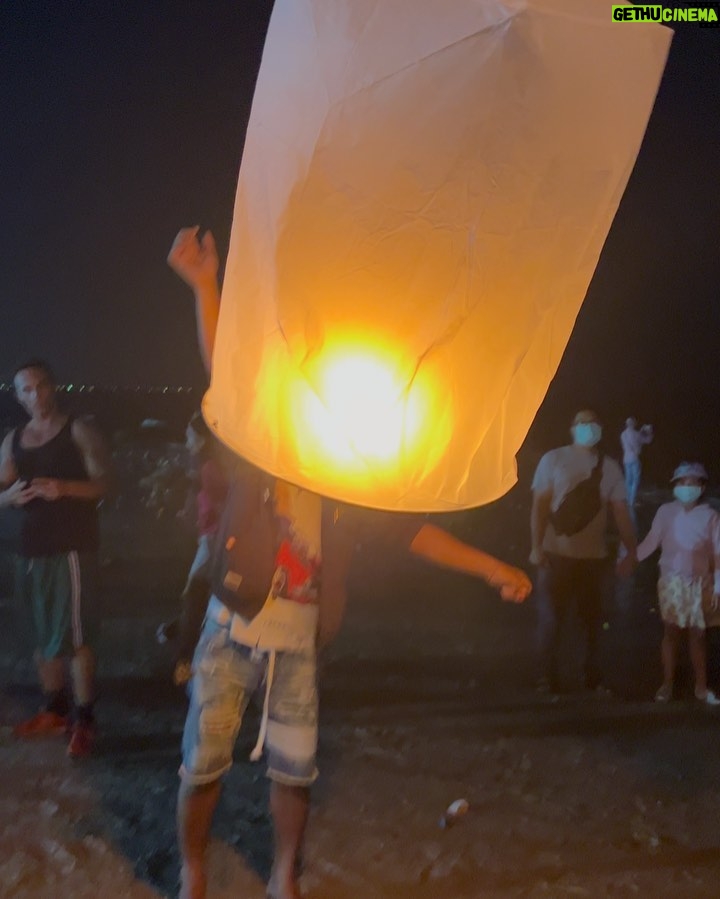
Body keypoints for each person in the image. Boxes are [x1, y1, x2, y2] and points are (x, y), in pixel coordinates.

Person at [168, 226, 532, 899]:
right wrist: (205, 285)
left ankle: (283, 873)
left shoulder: (348, 469)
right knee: (203, 763)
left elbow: (410, 532)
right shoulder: (265, 436)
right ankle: (193, 869)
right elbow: (226, 370)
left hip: (301, 641)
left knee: (294, 772)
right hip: (232, 625)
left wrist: (490, 566)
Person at [0, 360, 111, 757]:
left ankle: (85, 719)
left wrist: (65, 488)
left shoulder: (77, 430)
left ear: (53, 388)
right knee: (40, 633)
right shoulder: (13, 440)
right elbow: (2, 488)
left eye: (41, 386)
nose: (35, 396)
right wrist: (7, 498)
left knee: (77, 636)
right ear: (17, 396)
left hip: (73, 548)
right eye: (26, 390)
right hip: (31, 550)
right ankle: (55, 710)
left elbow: (103, 484)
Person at [530, 410, 637, 694]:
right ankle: (546, 678)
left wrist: (631, 551)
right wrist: (535, 547)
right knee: (551, 620)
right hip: (555, 556)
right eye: (582, 423)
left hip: (594, 560)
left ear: (600, 429)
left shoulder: (611, 467)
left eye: (593, 423)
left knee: (592, 625)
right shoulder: (552, 459)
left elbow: (620, 512)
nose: (588, 428)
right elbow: (540, 507)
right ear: (572, 428)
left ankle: (592, 677)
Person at [636, 462, 720, 705]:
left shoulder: (711, 516)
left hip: (699, 585)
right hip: (671, 583)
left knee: (698, 636)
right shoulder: (665, 512)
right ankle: (667, 684)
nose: (687, 487)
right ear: (675, 486)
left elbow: (717, 553)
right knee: (671, 634)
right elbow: (652, 541)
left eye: (692, 483)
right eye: (682, 483)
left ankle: (701, 687)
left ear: (702, 487)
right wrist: (630, 558)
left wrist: (717, 586)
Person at [157, 410, 229, 684]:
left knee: (195, 592)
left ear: (201, 439)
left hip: (212, 540)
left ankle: (184, 658)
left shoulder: (208, 468)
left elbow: (221, 503)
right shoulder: (208, 466)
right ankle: (180, 637)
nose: (186, 443)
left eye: (189, 437)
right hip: (210, 537)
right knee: (199, 592)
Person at [620, 417, 653, 509]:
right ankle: (632, 501)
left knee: (628, 480)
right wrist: (648, 431)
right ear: (633, 424)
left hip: (626, 459)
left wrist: (642, 431)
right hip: (634, 459)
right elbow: (647, 440)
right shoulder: (636, 434)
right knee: (635, 480)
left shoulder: (623, 434)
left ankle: (628, 499)